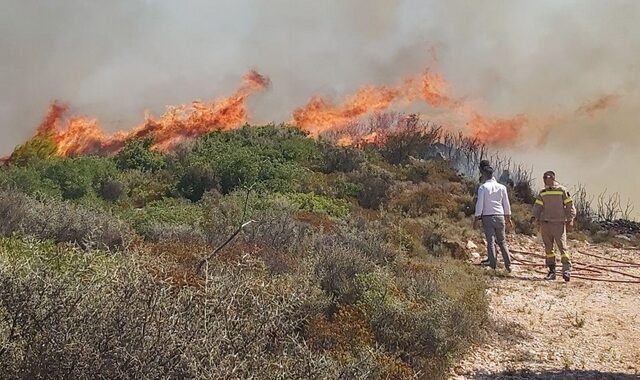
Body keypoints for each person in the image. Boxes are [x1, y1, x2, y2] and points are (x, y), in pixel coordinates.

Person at [531, 171, 577, 281]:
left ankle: (566, 271)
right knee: (548, 249)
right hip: (545, 223)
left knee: (562, 247)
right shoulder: (543, 192)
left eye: (547, 177)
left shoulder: (562, 190)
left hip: (558, 223)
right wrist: (534, 216)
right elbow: (538, 206)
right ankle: (552, 272)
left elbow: (570, 205)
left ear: (552, 178)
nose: (545, 180)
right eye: (543, 178)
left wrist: (570, 219)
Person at [473, 162, 513, 272]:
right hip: (500, 216)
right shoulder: (502, 187)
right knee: (502, 241)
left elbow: (480, 204)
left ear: (484, 175)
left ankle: (492, 263)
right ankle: (508, 265)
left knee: (490, 241)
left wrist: (476, 218)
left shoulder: (483, 187)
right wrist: (508, 218)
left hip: (488, 217)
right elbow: (506, 203)